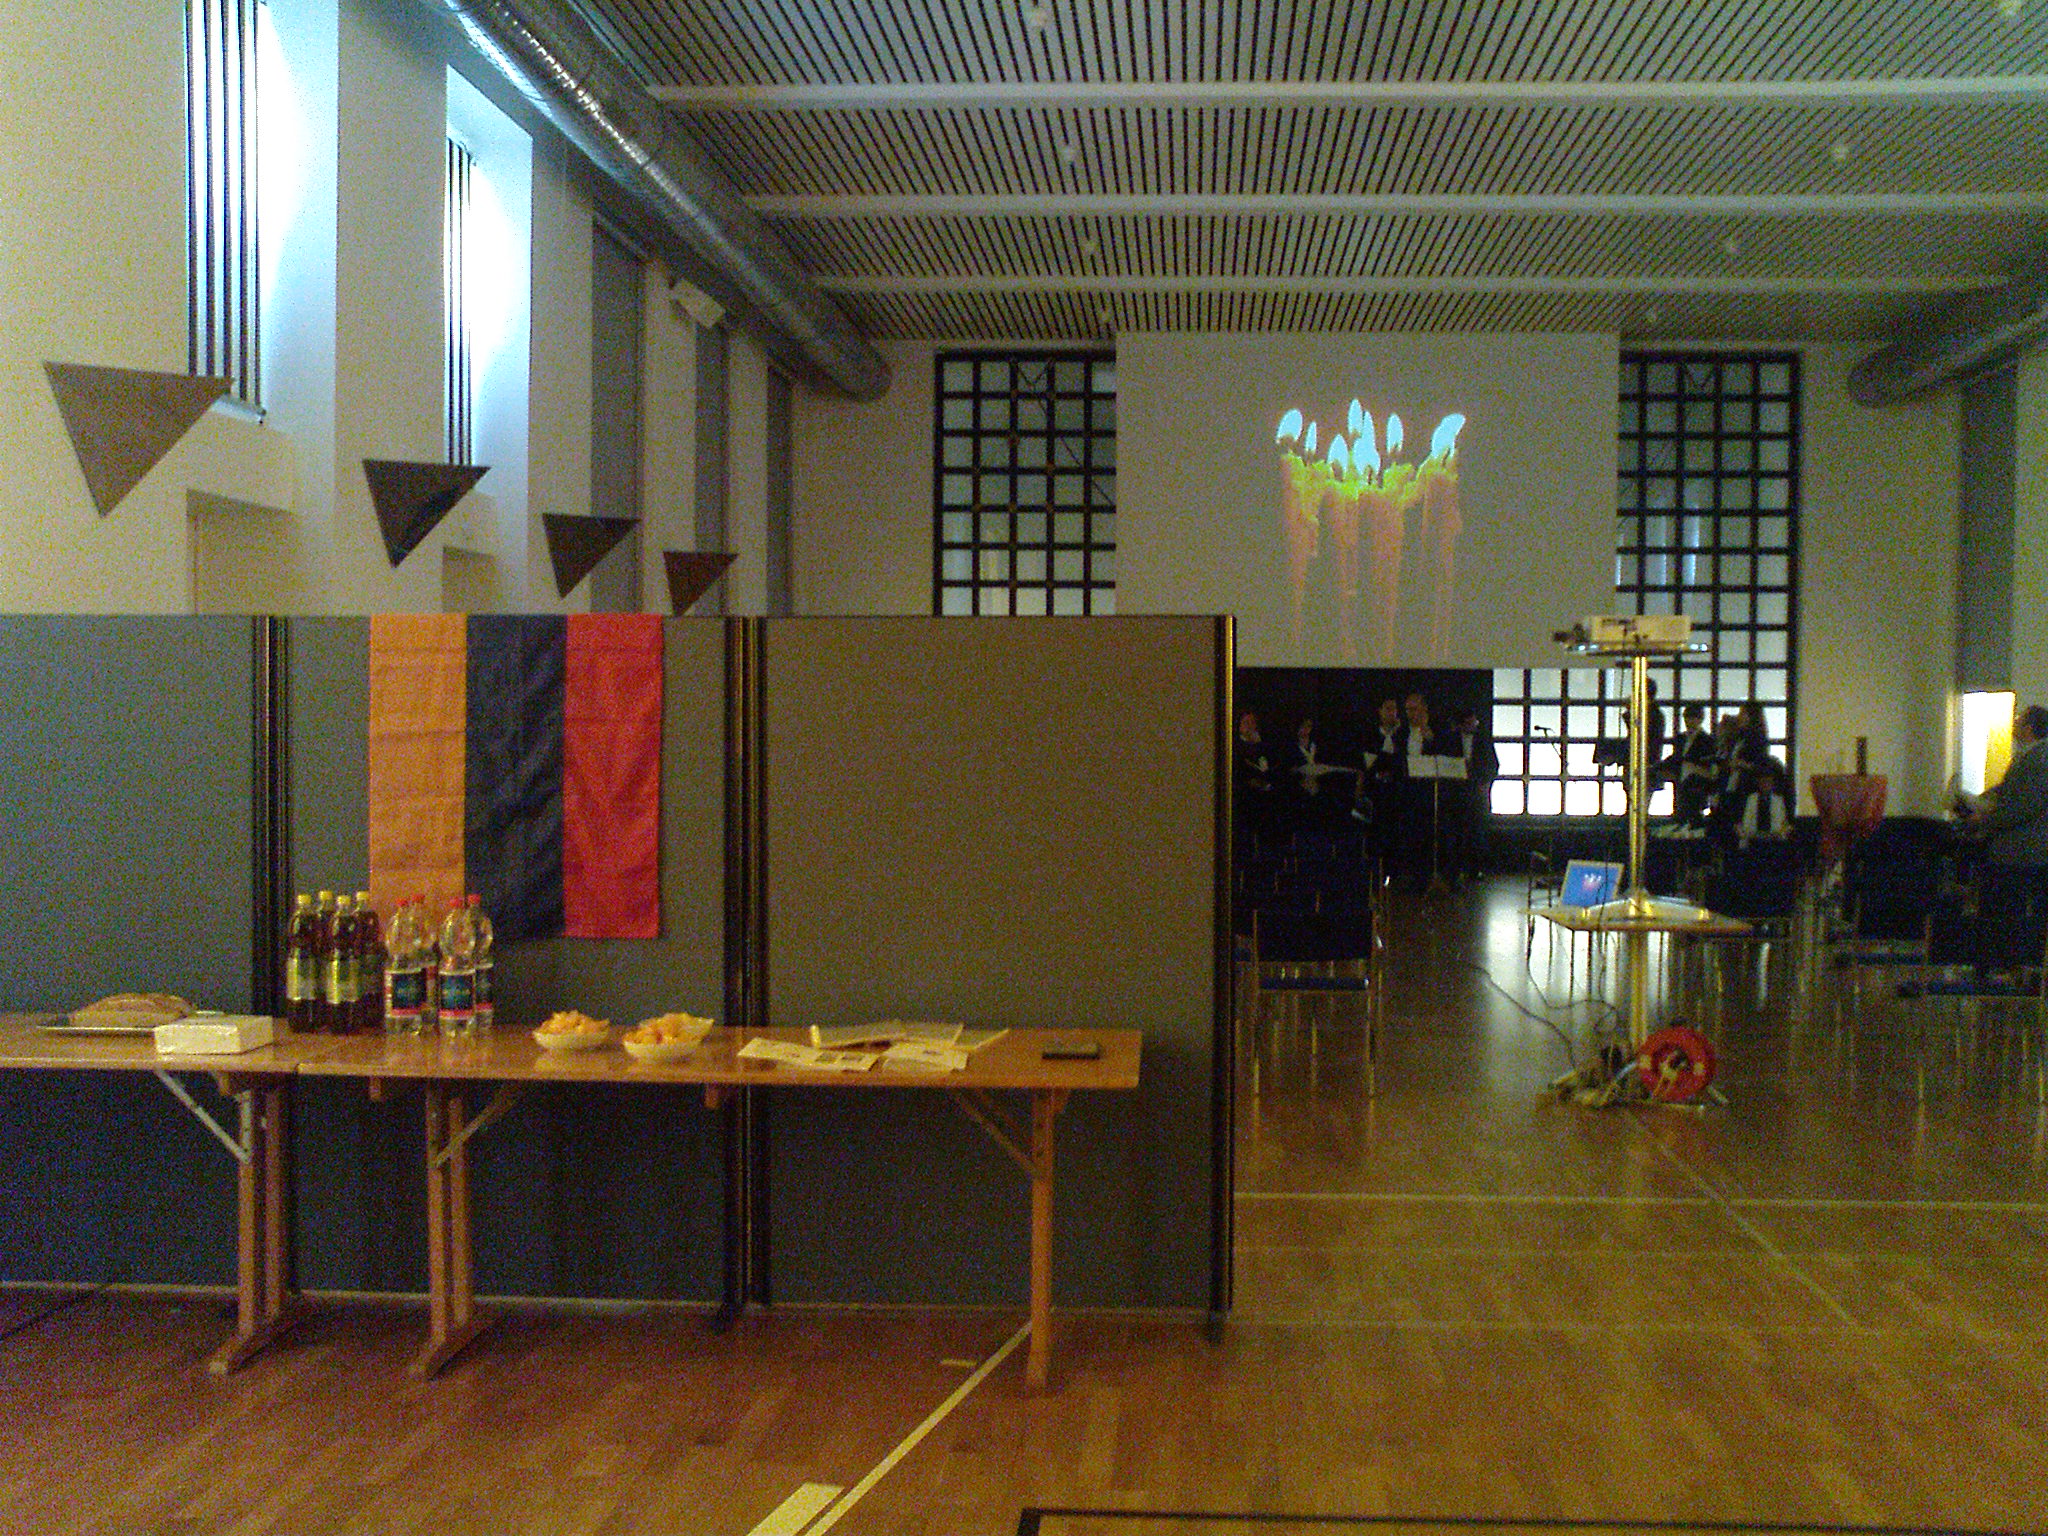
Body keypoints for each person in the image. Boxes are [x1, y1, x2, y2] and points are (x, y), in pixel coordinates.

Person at [1959, 704, 2048, 866]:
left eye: (2018, 719)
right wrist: (1979, 800)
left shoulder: (2039, 759)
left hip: (2026, 851)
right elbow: (2008, 789)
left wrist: (1984, 820)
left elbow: (2023, 807)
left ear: (2028, 729)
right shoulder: (2029, 756)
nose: (2014, 723)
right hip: (2022, 849)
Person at [1449, 705, 1499, 886]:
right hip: (1457, 790)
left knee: (1477, 831)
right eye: (1470, 722)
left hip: (1478, 789)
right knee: (1456, 831)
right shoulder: (1452, 739)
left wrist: (1485, 783)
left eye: (1474, 722)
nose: (1474, 725)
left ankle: (1476, 868)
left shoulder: (1483, 739)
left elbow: (1493, 765)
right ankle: (1456, 869)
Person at [1666, 703, 1719, 829]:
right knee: (1681, 809)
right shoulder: (1682, 738)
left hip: (1696, 782)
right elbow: (1675, 758)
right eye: (1687, 718)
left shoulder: (1707, 740)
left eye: (1692, 718)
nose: (1689, 721)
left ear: (1700, 719)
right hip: (1683, 778)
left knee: (1691, 811)